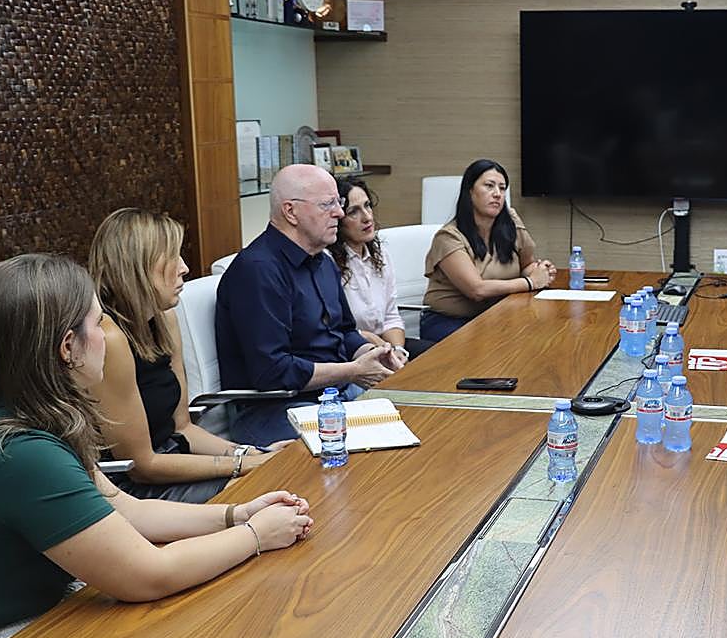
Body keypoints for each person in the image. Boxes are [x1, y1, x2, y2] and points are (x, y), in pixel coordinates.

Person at [0, 254, 313, 638]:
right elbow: (147, 574)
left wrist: (237, 515)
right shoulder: (23, 454)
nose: (107, 334)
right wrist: (256, 535)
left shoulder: (26, 416)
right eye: (99, 322)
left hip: (47, 610)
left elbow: (125, 508)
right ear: (68, 347)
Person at [88, 208, 289, 503]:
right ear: (138, 266)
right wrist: (243, 466)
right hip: (131, 491)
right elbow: (142, 467)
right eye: (172, 257)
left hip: (175, 459)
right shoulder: (109, 338)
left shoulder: (163, 318)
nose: (184, 267)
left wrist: (253, 454)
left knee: (284, 475)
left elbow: (183, 428)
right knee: (270, 493)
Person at [216, 164, 403, 446]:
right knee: (379, 444)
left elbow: (346, 332)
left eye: (338, 203)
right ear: (291, 212)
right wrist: (353, 370)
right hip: (276, 409)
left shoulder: (323, 261)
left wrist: (374, 354)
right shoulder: (258, 270)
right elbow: (272, 372)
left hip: (333, 395)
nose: (339, 213)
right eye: (327, 204)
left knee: (415, 415)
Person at [420, 159, 556, 342]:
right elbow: (477, 290)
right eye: (489, 186)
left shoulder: (511, 225)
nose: (497, 194)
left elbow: (527, 264)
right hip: (449, 322)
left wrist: (540, 272)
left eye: (502, 188)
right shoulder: (448, 237)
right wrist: (531, 282)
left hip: (497, 314)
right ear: (470, 191)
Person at [326, 177, 434, 359]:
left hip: (385, 344)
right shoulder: (327, 263)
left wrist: (399, 351)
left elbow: (391, 317)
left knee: (441, 356)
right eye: (353, 212)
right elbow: (335, 330)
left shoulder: (380, 254)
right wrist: (379, 347)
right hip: (350, 351)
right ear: (338, 218)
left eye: (367, 206)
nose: (367, 217)